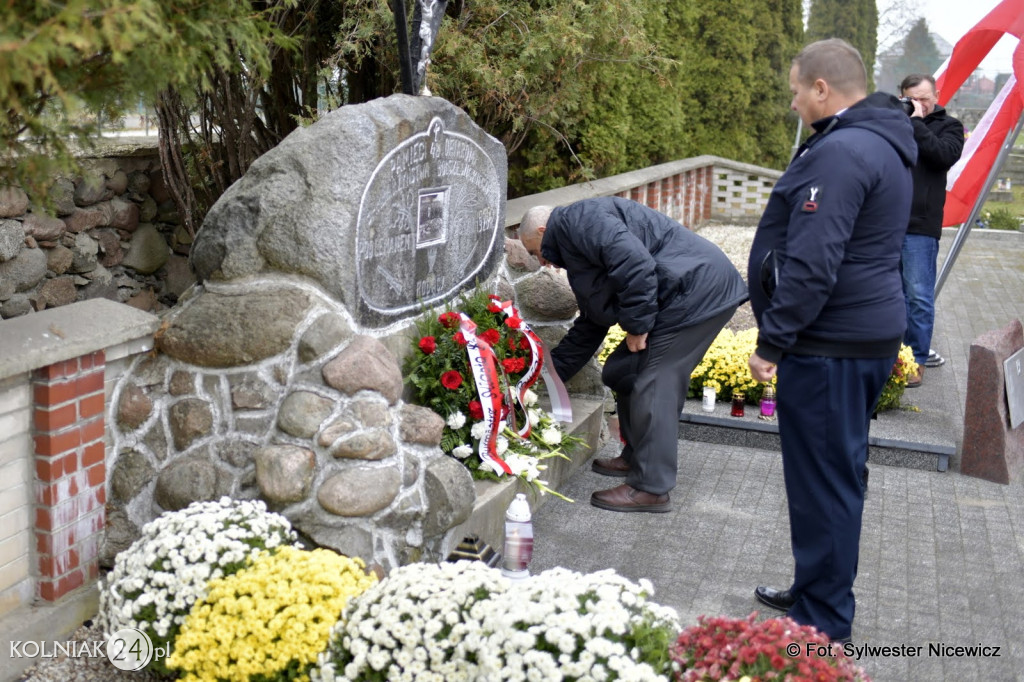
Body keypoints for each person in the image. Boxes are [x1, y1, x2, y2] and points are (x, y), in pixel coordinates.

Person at [746, 39, 916, 642]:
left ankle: (821, 630)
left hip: (830, 343)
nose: (793, 102)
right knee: (835, 474)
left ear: (822, 88)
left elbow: (815, 261)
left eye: (796, 90)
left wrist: (773, 341)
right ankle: (816, 585)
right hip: (856, 336)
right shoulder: (878, 141)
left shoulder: (841, 152)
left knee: (826, 482)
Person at [518, 197, 747, 512]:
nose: (540, 263)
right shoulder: (575, 243)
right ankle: (636, 457)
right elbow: (594, 319)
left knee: (652, 381)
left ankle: (651, 487)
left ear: (543, 230)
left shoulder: (579, 220)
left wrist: (638, 326)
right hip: (681, 293)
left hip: (697, 291)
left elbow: (636, 265)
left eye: (534, 252)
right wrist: (546, 371)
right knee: (621, 372)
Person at [898, 74, 964, 385]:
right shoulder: (894, 122)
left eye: (925, 98)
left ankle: (916, 361)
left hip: (921, 227)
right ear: (903, 96)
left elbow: (943, 155)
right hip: (885, 224)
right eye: (914, 99)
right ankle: (888, 357)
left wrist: (915, 122)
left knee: (918, 297)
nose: (921, 104)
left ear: (936, 95)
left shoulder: (948, 126)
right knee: (887, 295)